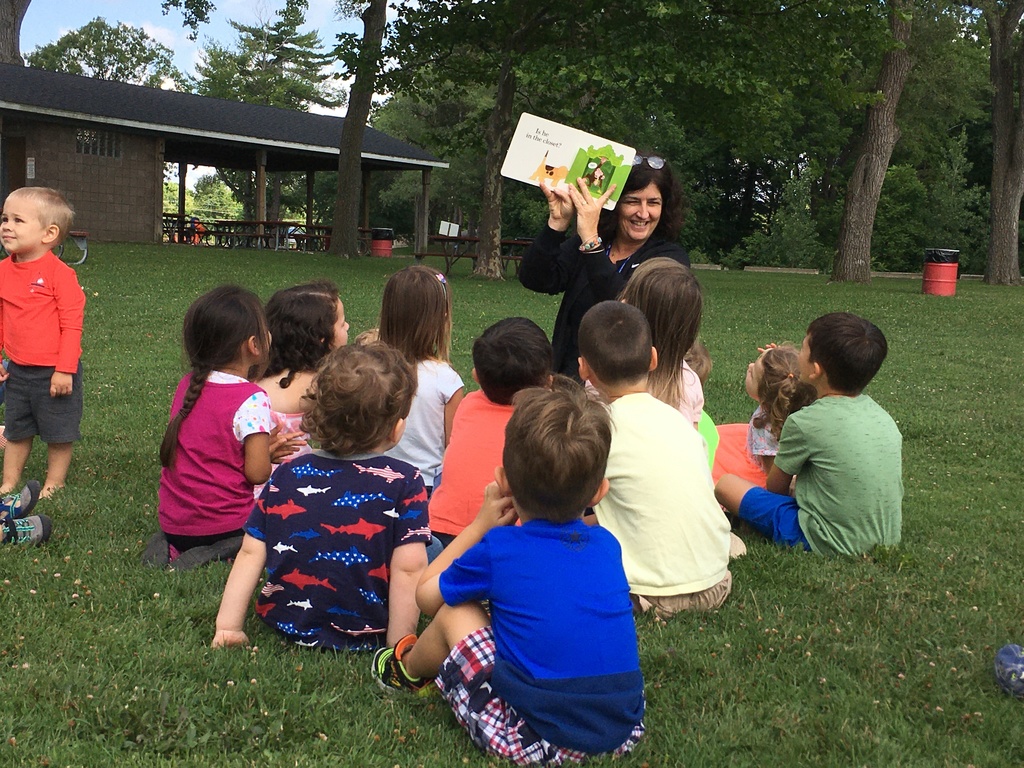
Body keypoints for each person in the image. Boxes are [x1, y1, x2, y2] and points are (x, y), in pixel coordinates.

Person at [371, 386, 645, 763]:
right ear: (599, 492)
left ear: (503, 480)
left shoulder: (500, 549)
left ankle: (407, 671)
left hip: (533, 737)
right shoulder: (607, 545)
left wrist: (479, 526)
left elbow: (427, 596)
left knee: (455, 610)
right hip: (622, 727)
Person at [212, 343, 430, 651]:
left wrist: (229, 626)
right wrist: (398, 646)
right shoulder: (406, 482)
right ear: (395, 428)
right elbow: (409, 569)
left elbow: (250, 553)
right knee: (430, 552)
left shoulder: (286, 473)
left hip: (284, 620)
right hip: (367, 630)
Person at [579, 301, 735, 616]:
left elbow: (566, 505)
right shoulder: (679, 421)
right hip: (716, 581)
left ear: (584, 369)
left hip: (650, 594)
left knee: (561, 542)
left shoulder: (601, 429)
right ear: (653, 358)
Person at [715, 313, 903, 556]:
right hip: (885, 536)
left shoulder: (804, 422)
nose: (797, 354)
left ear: (815, 370)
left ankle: (747, 525)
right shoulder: (882, 417)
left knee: (727, 485)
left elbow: (775, 489)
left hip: (826, 540)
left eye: (802, 347)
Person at [145, 286, 285, 570]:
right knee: (276, 529)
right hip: (226, 524)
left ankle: (169, 546)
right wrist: (268, 455)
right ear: (253, 345)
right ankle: (217, 552)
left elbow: (214, 445)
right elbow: (257, 473)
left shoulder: (188, 385)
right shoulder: (252, 398)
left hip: (173, 523)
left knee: (182, 533)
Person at [519, 154, 690, 378]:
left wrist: (591, 242)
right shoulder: (594, 244)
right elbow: (535, 279)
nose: (643, 213)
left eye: (653, 203)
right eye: (632, 201)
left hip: (629, 387)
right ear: (614, 204)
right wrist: (557, 225)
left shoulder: (669, 259)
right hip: (571, 381)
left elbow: (627, 309)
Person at [428, 317, 552, 547]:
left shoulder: (468, 404)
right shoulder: (543, 421)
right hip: (507, 534)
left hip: (440, 528)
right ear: (547, 384)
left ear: (476, 376)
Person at [0, 187, 86, 503]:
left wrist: (64, 370)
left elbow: (71, 325)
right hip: (18, 370)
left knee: (58, 431)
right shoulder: (3, 271)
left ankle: (55, 482)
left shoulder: (60, 275)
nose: (7, 226)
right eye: (4, 218)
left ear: (49, 233)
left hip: (54, 371)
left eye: (18, 220)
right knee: (17, 429)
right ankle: (9, 481)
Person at [253, 280, 349, 496]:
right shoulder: (319, 383)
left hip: (254, 484)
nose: (348, 327)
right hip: (294, 486)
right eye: (342, 324)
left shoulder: (257, 374)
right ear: (321, 339)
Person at [380, 265, 464, 493]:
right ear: (441, 317)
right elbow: (453, 448)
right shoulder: (446, 380)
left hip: (374, 480)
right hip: (424, 487)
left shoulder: (370, 371)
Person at [712, 344, 817, 487]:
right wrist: (778, 357)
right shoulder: (795, 397)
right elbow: (788, 372)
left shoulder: (764, 430)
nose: (749, 366)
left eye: (752, 375)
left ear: (765, 394)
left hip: (777, 479)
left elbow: (774, 479)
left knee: (724, 484)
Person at [618, 257, 704, 428]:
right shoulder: (689, 381)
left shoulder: (610, 375)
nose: (621, 302)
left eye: (630, 299)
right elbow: (695, 447)